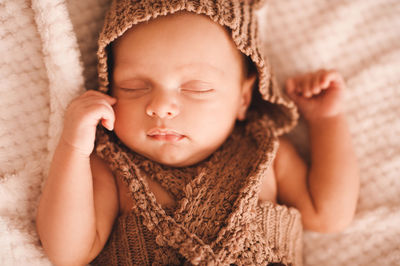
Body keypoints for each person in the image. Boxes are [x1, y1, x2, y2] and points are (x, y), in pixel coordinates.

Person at [36, 0, 359, 265]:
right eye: (133, 87)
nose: (161, 106)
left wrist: (326, 121)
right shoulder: (113, 166)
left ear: (244, 98)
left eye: (197, 88)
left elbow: (328, 214)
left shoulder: (265, 151)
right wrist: (73, 148)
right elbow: (70, 253)